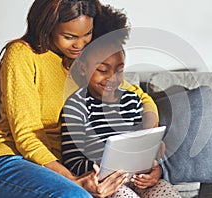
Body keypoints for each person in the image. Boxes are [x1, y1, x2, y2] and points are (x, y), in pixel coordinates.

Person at [0, 0, 158, 197]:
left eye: (87, 34)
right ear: (48, 27)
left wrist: (146, 153)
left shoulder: (82, 61)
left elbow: (141, 96)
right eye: (69, 37)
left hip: (62, 165)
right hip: (13, 158)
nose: (80, 44)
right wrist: (73, 180)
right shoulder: (22, 54)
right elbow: (26, 136)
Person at [60, 8, 181, 198]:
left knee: (164, 189)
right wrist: (106, 165)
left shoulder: (131, 100)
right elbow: (71, 160)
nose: (112, 78)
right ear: (83, 68)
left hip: (135, 177)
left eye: (119, 70)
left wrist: (154, 169)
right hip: (105, 183)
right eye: (102, 70)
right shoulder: (76, 106)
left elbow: (142, 146)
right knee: (124, 194)